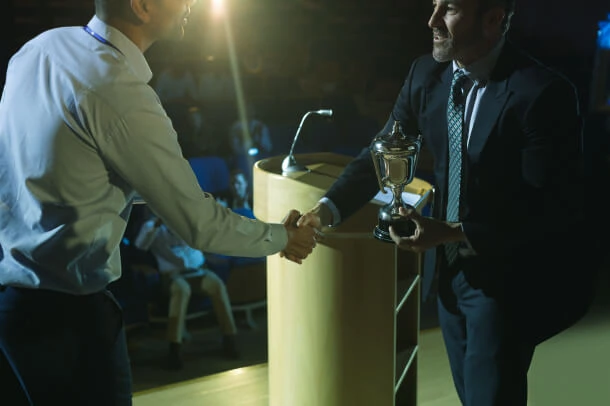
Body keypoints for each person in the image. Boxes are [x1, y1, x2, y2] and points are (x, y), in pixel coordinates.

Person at [0, 1, 317, 405]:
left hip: (11, 308)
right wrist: (282, 238)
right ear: (141, 6)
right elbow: (199, 224)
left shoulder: (39, 48)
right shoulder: (118, 90)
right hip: (69, 324)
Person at [297, 1, 597, 405]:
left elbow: (553, 208)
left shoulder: (542, 92)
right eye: (434, 5)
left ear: (493, 19)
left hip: (508, 278)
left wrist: (455, 232)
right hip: (449, 275)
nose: (432, 21)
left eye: (450, 9)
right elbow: (381, 153)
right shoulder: (426, 74)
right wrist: (324, 210)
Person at [134, 212, 240, 370]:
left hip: (197, 271)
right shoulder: (152, 227)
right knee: (182, 290)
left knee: (216, 284)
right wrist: (157, 224)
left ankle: (229, 337)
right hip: (172, 276)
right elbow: (140, 245)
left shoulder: (185, 220)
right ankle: (174, 347)